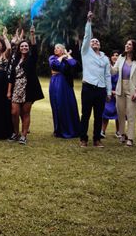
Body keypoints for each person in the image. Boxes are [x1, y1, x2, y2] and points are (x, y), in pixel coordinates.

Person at [6, 25, 43, 145]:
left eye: (26, 46)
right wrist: (9, 91)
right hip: (16, 87)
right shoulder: (16, 59)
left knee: (26, 112)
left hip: (29, 88)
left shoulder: (32, 58)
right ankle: (15, 133)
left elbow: (35, 47)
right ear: (19, 48)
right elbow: (11, 76)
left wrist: (32, 35)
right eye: (22, 46)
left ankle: (23, 135)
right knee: (14, 112)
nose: (24, 47)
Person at [79, 12, 112, 148]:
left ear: (100, 45)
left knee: (99, 116)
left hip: (101, 89)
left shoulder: (105, 58)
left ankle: (97, 139)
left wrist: (109, 92)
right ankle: (83, 139)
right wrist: (88, 21)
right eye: (93, 41)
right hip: (88, 88)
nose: (94, 42)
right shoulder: (85, 52)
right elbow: (87, 36)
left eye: (97, 41)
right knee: (86, 115)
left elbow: (108, 75)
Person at [112, 39, 136, 147]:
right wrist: (106, 64)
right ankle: (122, 134)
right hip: (120, 88)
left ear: (134, 47)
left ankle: (130, 138)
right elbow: (114, 71)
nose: (126, 45)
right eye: (126, 44)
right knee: (120, 114)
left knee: (131, 115)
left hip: (133, 89)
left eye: (129, 44)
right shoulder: (121, 58)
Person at [48, 43, 80, 139]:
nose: (55, 49)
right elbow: (54, 65)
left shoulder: (67, 59)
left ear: (63, 49)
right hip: (55, 83)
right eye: (55, 48)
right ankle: (59, 130)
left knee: (67, 105)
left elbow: (74, 64)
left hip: (65, 84)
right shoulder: (52, 58)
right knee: (57, 105)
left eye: (58, 48)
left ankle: (71, 130)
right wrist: (62, 56)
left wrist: (68, 55)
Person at [101, 50, 121, 138]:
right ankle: (102, 131)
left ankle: (118, 131)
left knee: (119, 113)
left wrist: (117, 92)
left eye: (117, 55)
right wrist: (109, 91)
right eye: (113, 55)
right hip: (108, 93)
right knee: (106, 112)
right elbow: (104, 79)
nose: (115, 57)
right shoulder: (107, 67)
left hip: (118, 93)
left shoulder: (121, 68)